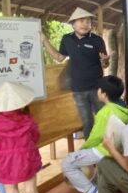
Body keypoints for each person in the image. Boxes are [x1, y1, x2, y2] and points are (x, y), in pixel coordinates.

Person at [61, 75, 128, 193]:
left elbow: (96, 137)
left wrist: (82, 150)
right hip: (116, 150)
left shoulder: (105, 112)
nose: (97, 91)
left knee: (67, 163)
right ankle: (97, 192)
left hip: (103, 150)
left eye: (98, 89)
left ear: (104, 94)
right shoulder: (124, 108)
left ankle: (92, 192)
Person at [40, 7, 110, 139]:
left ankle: (109, 146)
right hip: (78, 90)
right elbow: (59, 57)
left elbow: (105, 64)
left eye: (88, 22)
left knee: (104, 117)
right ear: (73, 23)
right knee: (87, 122)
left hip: (97, 88)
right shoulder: (67, 39)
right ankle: (90, 149)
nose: (85, 24)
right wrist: (44, 41)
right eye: (82, 21)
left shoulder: (97, 40)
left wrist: (105, 61)